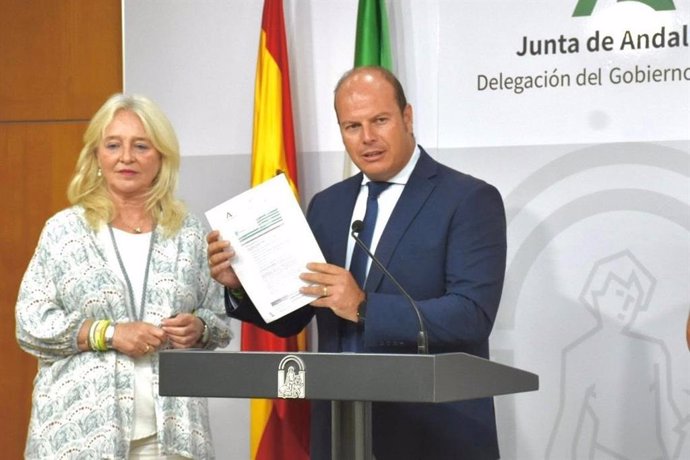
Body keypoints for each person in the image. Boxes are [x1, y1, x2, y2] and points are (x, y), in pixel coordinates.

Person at [208, 66, 507, 459]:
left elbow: (471, 315)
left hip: (434, 435)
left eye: (379, 121)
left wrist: (364, 306)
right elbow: (293, 316)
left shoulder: (468, 199)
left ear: (407, 117)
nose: (367, 138)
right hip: (342, 432)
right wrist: (241, 282)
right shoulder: (328, 205)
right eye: (352, 126)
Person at [15, 93, 232, 459]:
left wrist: (199, 328)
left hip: (172, 436)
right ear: (97, 155)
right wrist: (111, 333)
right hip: (79, 437)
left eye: (141, 146)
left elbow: (219, 323)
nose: (126, 157)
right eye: (113, 145)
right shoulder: (64, 231)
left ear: (161, 157)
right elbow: (31, 324)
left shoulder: (189, 232)